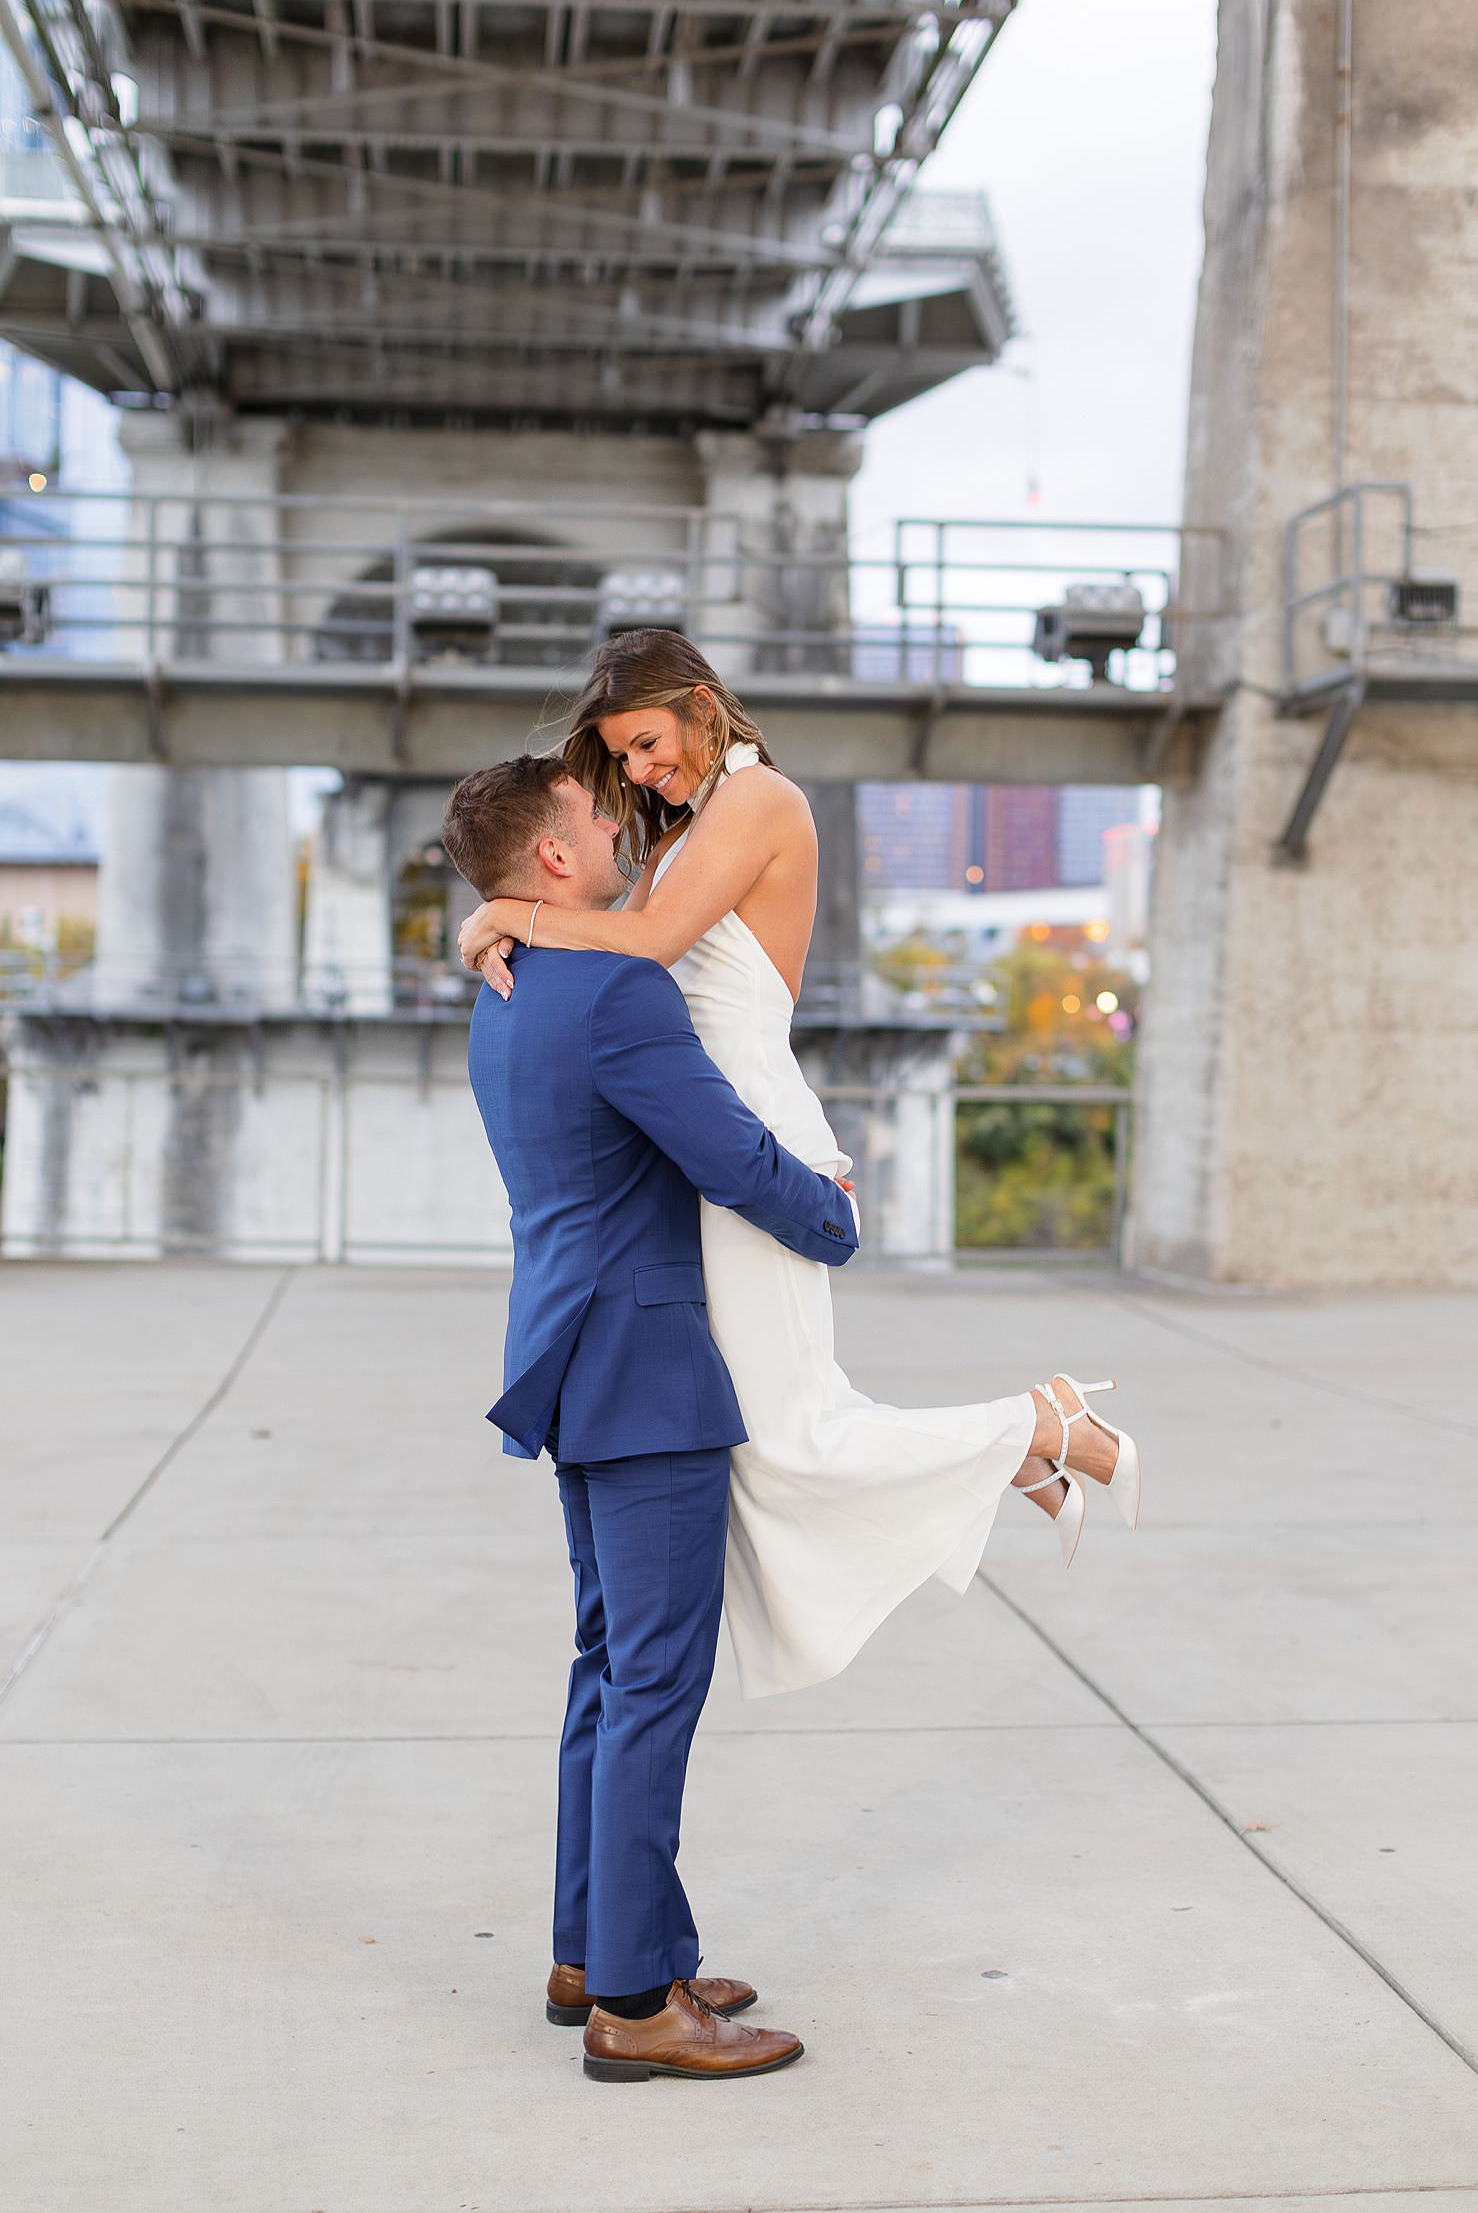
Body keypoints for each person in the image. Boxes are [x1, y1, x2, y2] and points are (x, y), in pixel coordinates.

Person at [457, 630, 1144, 1708]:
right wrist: (518, 913)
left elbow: (649, 944)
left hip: (755, 1138)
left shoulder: (763, 800)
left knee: (794, 1440)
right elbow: (622, 955)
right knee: (769, 1452)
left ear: (697, 702)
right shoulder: (686, 829)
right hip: (709, 1137)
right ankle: (1024, 1445)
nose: (637, 773)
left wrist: (508, 912)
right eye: (621, 762)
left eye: (644, 744)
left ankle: (1043, 1428)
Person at [444, 753, 860, 2083]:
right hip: (646, 1373)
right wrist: (829, 1215)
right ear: (553, 858)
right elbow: (727, 1151)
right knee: (654, 1685)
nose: (617, 822)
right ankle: (633, 1999)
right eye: (591, 811)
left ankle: (596, 1945)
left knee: (606, 1667)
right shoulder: (617, 988)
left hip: (573, 1353)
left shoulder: (504, 994)